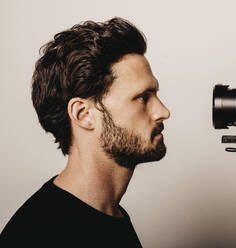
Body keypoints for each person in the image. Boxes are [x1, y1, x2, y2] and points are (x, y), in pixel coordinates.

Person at [0, 17, 170, 247]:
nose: (163, 112)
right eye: (142, 98)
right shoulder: (37, 235)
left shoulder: (111, 216)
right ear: (83, 114)